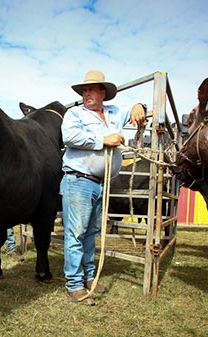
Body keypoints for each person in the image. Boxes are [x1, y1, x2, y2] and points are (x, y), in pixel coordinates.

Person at [60, 70, 146, 305]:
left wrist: (139, 106)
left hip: (99, 183)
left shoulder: (114, 112)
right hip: (78, 180)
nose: (87, 93)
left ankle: (89, 278)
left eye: (91, 89)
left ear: (103, 92)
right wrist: (102, 141)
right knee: (76, 233)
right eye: (84, 90)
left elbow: (133, 110)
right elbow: (69, 136)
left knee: (90, 234)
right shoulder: (74, 114)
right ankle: (74, 284)